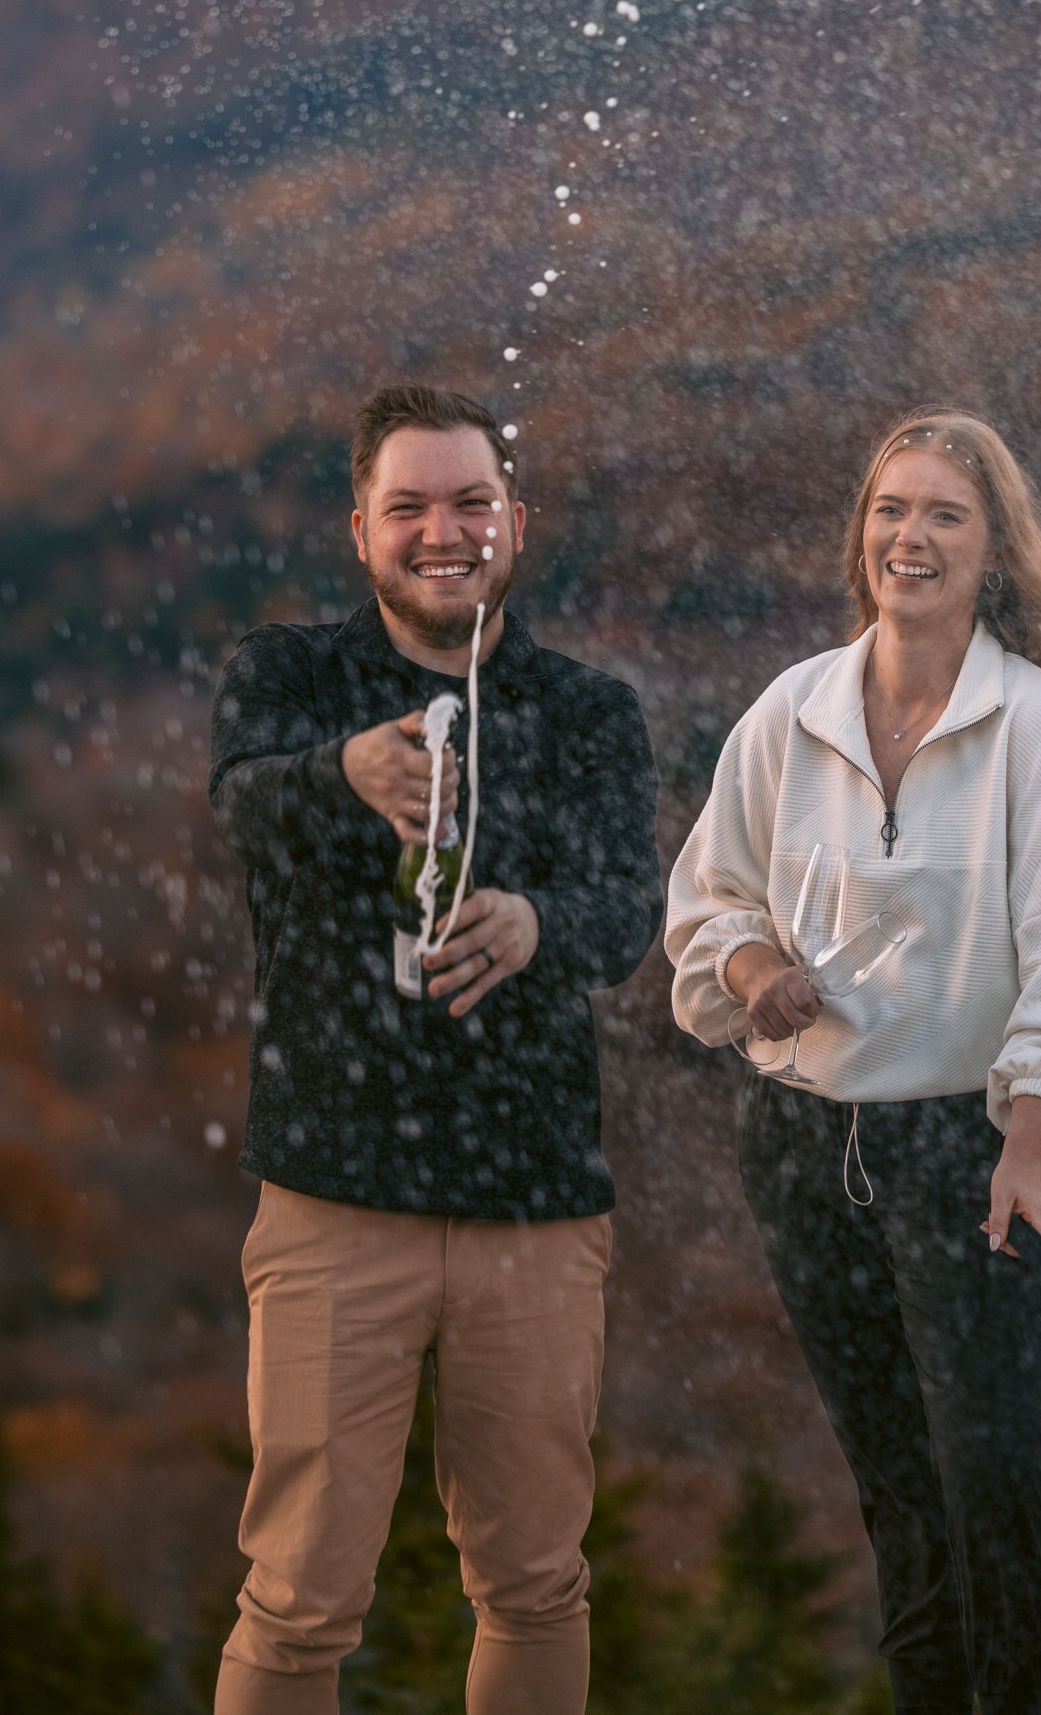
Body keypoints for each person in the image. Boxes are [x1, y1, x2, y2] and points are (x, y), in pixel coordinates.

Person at [665, 406, 1041, 1715]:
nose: (910, 536)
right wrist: (756, 978)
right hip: (804, 1152)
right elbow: (712, 901)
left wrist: (1032, 1153)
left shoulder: (1031, 723)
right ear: (859, 536)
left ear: (992, 553)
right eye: (891, 510)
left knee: (991, 1473)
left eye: (945, 514)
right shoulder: (792, 711)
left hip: (967, 1151)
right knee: (896, 1485)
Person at [209, 384, 661, 1715]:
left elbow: (631, 914)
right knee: (295, 1602)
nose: (442, 530)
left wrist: (531, 922)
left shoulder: (586, 711)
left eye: (471, 503)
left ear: (517, 524)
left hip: (535, 1208)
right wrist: (345, 775)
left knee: (534, 1586)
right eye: (408, 505)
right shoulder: (289, 678)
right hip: (332, 1204)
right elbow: (243, 803)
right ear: (362, 531)